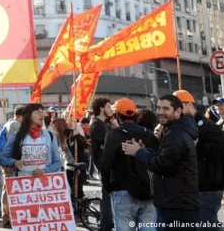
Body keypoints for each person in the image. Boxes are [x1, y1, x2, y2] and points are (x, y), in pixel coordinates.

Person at [123, 93, 198, 231]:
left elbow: (162, 165)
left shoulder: (176, 134)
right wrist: (145, 151)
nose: (161, 112)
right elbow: (167, 158)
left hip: (176, 204)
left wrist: (138, 152)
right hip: (176, 202)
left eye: (165, 109)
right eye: (158, 108)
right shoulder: (175, 131)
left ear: (178, 111)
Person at [99, 98, 158, 231]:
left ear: (118, 115)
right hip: (148, 191)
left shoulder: (114, 135)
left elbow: (105, 164)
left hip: (122, 191)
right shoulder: (148, 134)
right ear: (135, 115)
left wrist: (108, 187)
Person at [173, 90, 224, 229]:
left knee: (205, 225)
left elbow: (223, 151)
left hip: (207, 186)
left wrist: (197, 146)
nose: (176, 111)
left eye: (179, 107)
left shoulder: (205, 126)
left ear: (190, 105)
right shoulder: (182, 126)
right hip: (193, 188)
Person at [0, 106, 24, 225]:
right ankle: (7, 217)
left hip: (6, 160)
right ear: (22, 116)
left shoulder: (8, 123)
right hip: (10, 162)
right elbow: (15, 145)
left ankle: (6, 215)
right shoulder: (15, 125)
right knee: (9, 189)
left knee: (7, 188)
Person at [89, 97, 114, 231]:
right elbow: (105, 146)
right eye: (109, 107)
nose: (111, 110)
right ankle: (106, 225)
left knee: (108, 197)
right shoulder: (97, 125)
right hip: (104, 166)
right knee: (107, 198)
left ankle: (107, 224)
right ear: (101, 109)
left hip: (107, 165)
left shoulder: (104, 124)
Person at [51, 118, 86, 198]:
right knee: (70, 187)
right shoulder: (58, 137)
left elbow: (84, 145)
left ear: (59, 126)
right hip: (67, 165)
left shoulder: (71, 134)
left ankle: (80, 205)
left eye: (54, 127)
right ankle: (73, 203)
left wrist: (77, 136)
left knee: (78, 188)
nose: (54, 129)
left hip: (77, 164)